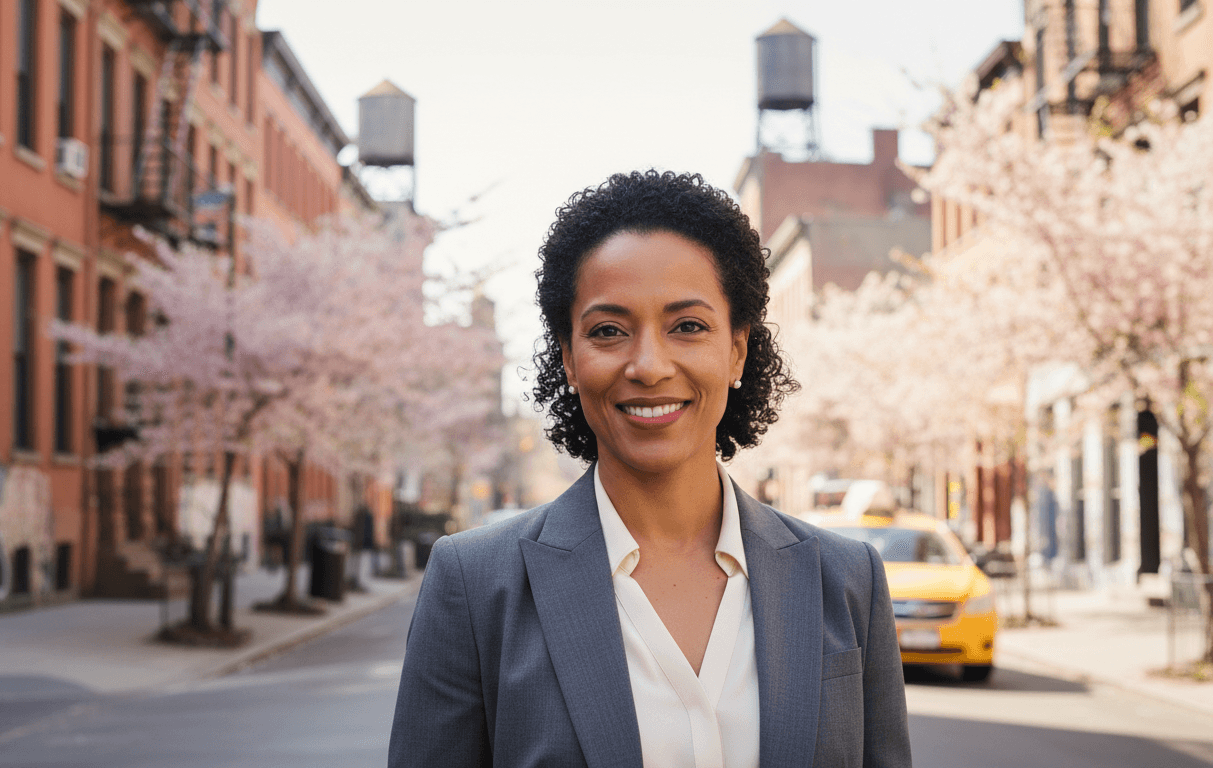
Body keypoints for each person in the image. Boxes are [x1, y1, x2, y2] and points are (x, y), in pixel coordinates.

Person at [389, 171, 911, 768]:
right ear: (569, 358)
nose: (648, 365)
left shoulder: (846, 582)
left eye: (688, 326)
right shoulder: (476, 585)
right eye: (608, 331)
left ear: (737, 348)